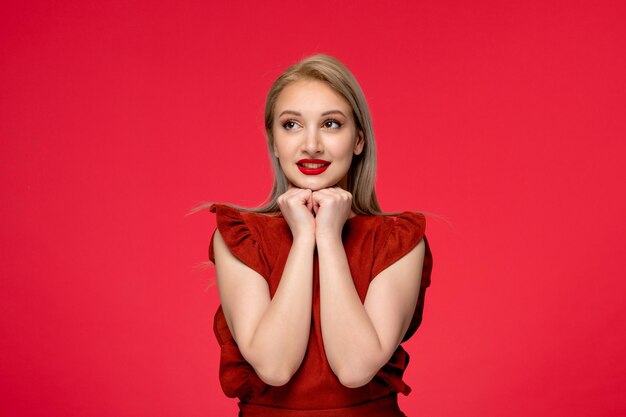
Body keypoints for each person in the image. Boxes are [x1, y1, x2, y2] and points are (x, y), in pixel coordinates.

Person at [203, 54, 433, 417]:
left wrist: (327, 237)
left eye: (330, 123)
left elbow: (355, 368)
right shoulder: (241, 236)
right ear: (274, 142)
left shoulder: (398, 240)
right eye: (292, 124)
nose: (311, 145)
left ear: (358, 140)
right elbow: (274, 367)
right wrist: (303, 241)